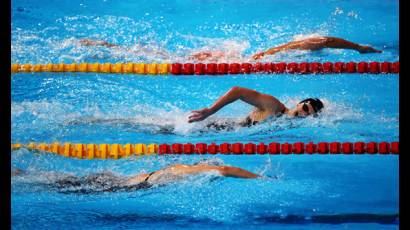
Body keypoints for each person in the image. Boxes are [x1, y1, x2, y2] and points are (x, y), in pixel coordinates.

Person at [11, 161, 261, 194]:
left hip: (128, 179)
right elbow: (227, 171)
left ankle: (20, 174)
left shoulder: (190, 168)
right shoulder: (208, 170)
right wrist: (259, 179)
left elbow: (225, 169)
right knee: (57, 186)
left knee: (63, 181)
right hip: (126, 185)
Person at [79, 36, 381, 61]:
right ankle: (104, 46)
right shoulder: (269, 56)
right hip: (233, 59)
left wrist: (356, 48)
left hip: (227, 57)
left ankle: (104, 46)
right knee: (161, 58)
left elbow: (324, 41)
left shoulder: (284, 51)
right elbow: (324, 41)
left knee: (156, 56)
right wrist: (357, 49)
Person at [188, 86, 324, 129]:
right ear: (299, 103)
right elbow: (237, 91)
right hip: (213, 128)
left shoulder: (286, 124)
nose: (303, 113)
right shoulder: (274, 105)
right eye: (305, 108)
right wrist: (210, 111)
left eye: (308, 114)